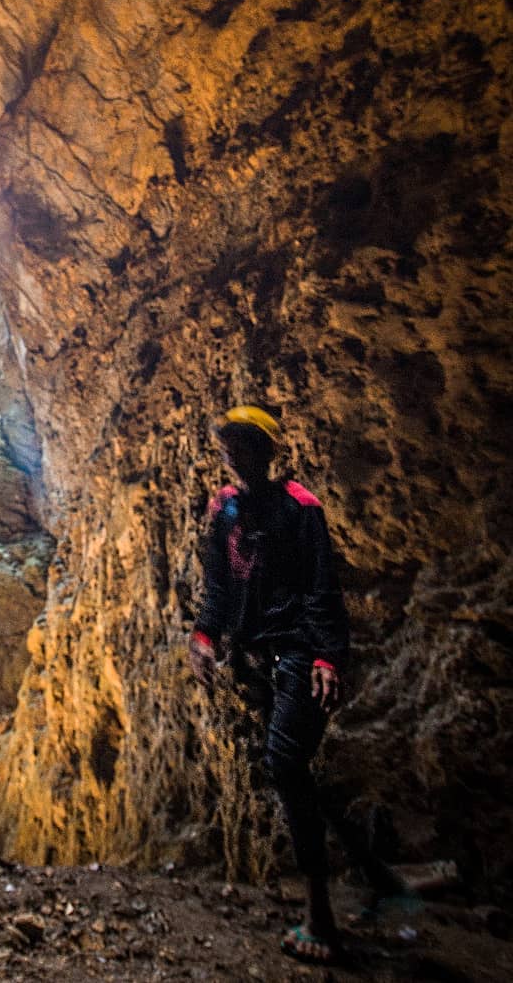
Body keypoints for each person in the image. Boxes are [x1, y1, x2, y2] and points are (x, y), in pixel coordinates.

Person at [189, 404, 378, 965]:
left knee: (286, 765)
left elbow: (323, 586)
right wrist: (205, 633)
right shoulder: (224, 509)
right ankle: (380, 873)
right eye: (228, 443)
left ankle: (320, 916)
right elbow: (218, 580)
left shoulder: (300, 509)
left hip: (297, 652)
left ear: (267, 452)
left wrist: (327, 656)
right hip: (258, 658)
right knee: (297, 773)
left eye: (244, 443)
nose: (233, 451)